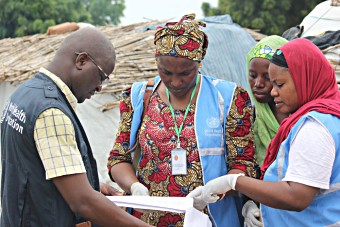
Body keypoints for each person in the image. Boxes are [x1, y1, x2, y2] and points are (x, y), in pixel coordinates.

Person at [107, 13, 259, 227]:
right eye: (166, 72)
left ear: (199, 63)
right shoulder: (139, 97)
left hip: (209, 219)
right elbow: (118, 158)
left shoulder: (229, 99)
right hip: (147, 221)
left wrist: (215, 190)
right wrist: (134, 187)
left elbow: (244, 165)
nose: (175, 82)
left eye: (186, 73)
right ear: (156, 61)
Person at [0, 27, 151, 227]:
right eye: (101, 77)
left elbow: (34, 169)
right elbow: (83, 202)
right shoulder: (50, 111)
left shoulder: (25, 93)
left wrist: (93, 185)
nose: (99, 87)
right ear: (81, 61)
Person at [188, 38, 340, 226]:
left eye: (280, 85)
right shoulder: (326, 118)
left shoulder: (314, 127)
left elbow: (297, 197)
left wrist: (234, 182)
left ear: (304, 79)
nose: (273, 92)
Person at [242, 35, 288, 227]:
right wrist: (249, 205)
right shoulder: (249, 122)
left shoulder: (305, 120)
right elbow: (248, 173)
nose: (258, 83)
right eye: (253, 76)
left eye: (267, 77)